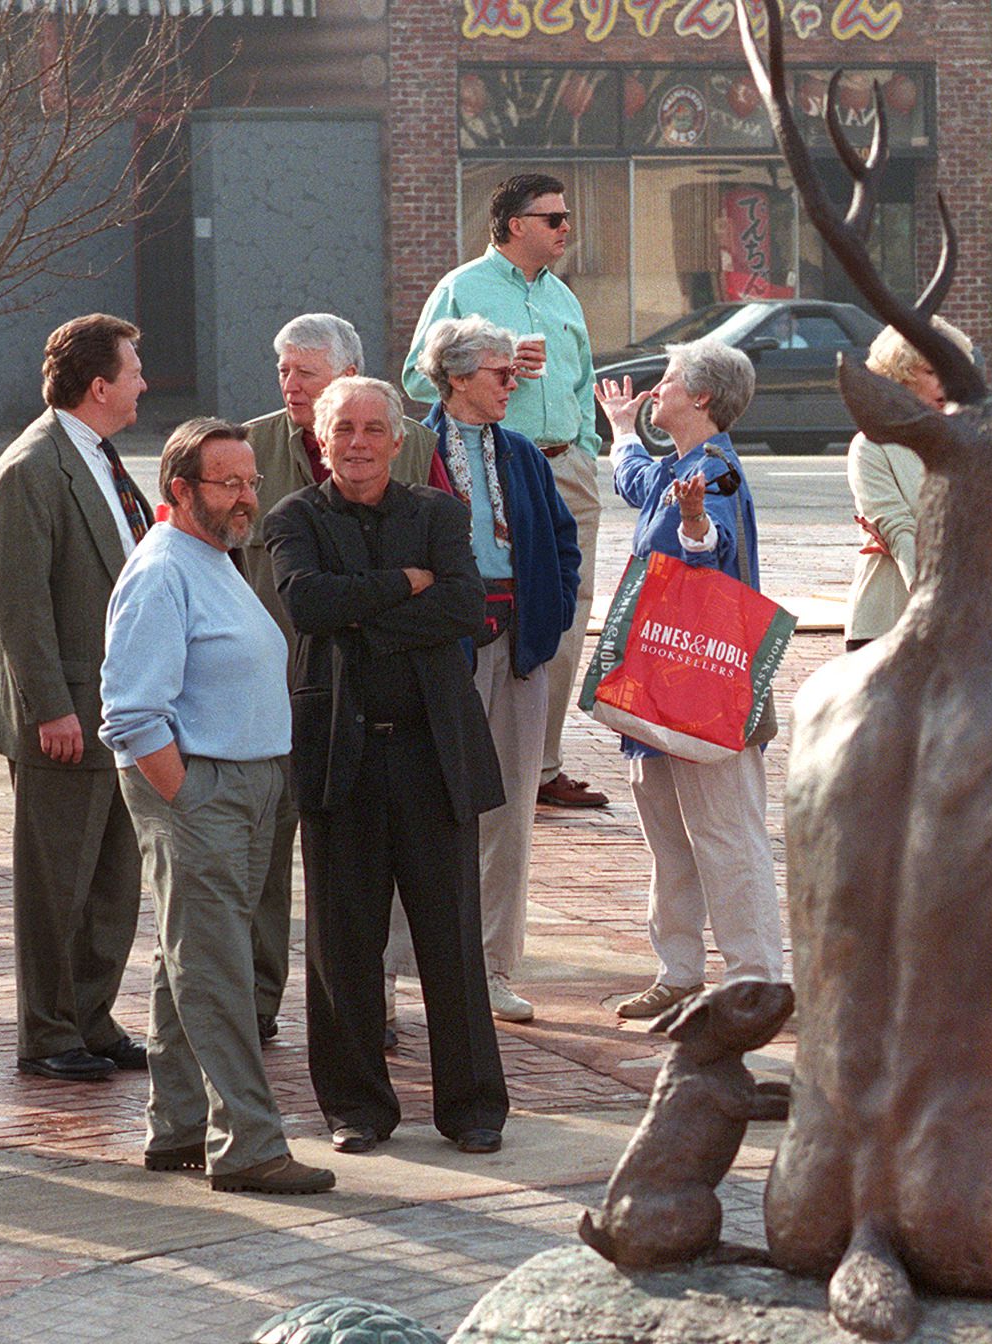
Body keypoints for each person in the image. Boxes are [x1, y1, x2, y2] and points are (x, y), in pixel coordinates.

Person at [267, 377, 509, 1156]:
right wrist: (404, 588)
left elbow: (467, 608)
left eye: (375, 428)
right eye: (346, 430)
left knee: (452, 939)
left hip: (432, 753)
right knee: (343, 945)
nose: (361, 443)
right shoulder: (293, 518)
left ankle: (472, 1109)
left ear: (398, 439)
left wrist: (359, 617)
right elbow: (306, 604)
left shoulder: (439, 514)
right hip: (340, 755)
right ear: (323, 440)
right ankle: (357, 1110)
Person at [100, 418, 332, 1195]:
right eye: (227, 483)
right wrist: (189, 798)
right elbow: (130, 711)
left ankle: (178, 1129)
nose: (246, 498)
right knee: (220, 968)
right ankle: (250, 1147)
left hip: (246, 784)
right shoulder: (162, 568)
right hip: (204, 790)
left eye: (250, 482)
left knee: (187, 960)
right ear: (180, 490)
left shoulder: (215, 556)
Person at [241, 311, 444, 1045]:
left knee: (366, 863)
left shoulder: (415, 444)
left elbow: (450, 579)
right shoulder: (247, 448)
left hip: (373, 690)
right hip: (269, 684)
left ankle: (374, 1004)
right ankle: (257, 1001)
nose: (290, 385)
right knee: (267, 852)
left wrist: (363, 610)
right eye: (284, 371)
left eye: (306, 372)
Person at [595, 339, 785, 1021]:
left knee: (726, 838)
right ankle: (678, 970)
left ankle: (755, 978)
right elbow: (635, 481)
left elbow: (714, 543)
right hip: (659, 688)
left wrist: (696, 522)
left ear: (700, 397)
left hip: (703, 693)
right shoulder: (678, 467)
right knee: (671, 841)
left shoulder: (717, 475)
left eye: (668, 379)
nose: (656, 389)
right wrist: (620, 432)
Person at [404, 171, 605, 811]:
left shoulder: (564, 298)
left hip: (564, 468)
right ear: (517, 225)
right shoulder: (462, 288)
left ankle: (541, 765)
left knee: (566, 614)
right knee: (494, 610)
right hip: (497, 468)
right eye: (554, 218)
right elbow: (415, 376)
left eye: (566, 216)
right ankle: (483, 753)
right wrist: (500, 360)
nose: (565, 227)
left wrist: (585, 450)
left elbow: (582, 381)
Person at [0, 314, 150, 1083]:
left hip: (122, 713)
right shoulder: (30, 468)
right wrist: (48, 708)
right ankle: (48, 1034)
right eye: (134, 370)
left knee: (114, 878)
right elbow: (18, 606)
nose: (144, 382)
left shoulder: (99, 456)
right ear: (99, 386)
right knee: (57, 884)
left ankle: (92, 1019)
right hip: (67, 721)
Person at [411, 315, 582, 1023]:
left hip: (517, 649)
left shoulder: (522, 455)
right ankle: (398, 973)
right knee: (422, 808)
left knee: (509, 813)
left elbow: (563, 544)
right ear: (455, 377)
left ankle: (491, 968)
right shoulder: (413, 450)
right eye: (501, 373)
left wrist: (548, 614)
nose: (514, 383)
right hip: (437, 650)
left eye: (515, 372)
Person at [844, 317, 975, 651]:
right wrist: (932, 601)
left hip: (962, 621)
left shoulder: (969, 441)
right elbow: (898, 528)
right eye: (931, 372)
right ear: (901, 373)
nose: (945, 381)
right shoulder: (872, 444)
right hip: (888, 622)